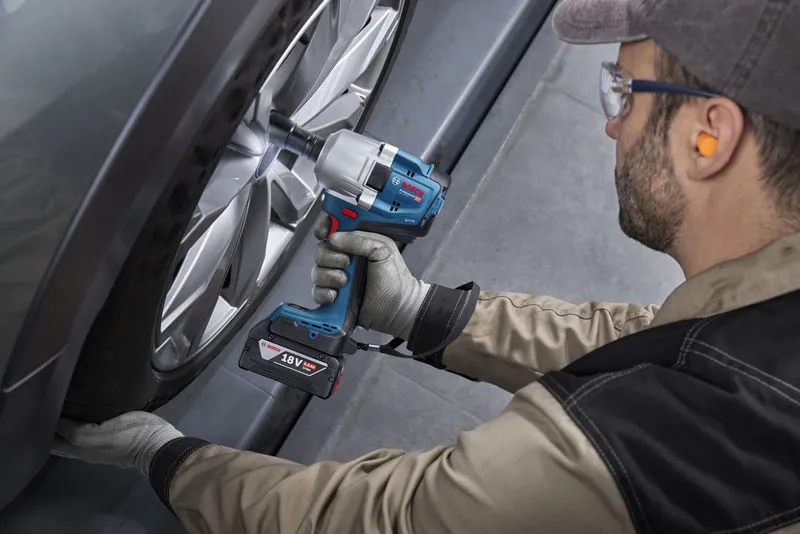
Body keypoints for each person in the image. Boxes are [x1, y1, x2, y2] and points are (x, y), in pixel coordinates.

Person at [53, 0, 800, 532]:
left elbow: (386, 519)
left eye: (623, 89)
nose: (609, 119)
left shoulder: (675, 445)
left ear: (711, 137)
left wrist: (170, 459)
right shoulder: (759, 323)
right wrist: (428, 313)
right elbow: (662, 341)